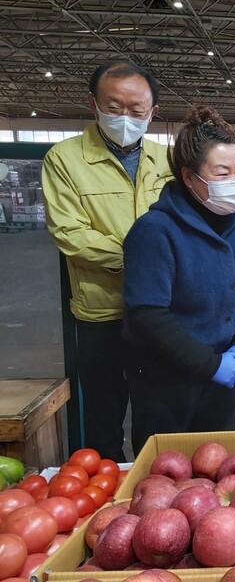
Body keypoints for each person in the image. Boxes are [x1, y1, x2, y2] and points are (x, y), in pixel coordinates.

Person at [122, 106, 235, 454]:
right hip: (166, 382)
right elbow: (147, 315)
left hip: (224, 378)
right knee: (165, 482)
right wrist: (210, 364)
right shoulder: (154, 231)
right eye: (222, 173)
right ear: (189, 178)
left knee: (218, 472)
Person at [42, 59, 169, 462]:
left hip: (159, 313)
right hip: (102, 312)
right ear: (93, 104)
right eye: (114, 107)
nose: (126, 118)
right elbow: (71, 233)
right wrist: (143, 261)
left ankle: (156, 497)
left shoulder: (167, 160)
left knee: (157, 415)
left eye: (137, 110)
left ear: (153, 112)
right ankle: (106, 499)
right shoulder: (65, 160)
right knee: (103, 417)